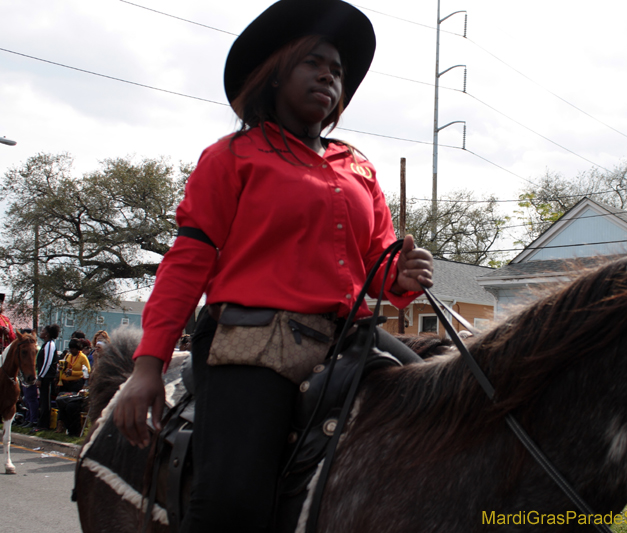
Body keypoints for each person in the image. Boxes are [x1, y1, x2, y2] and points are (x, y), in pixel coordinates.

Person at [113, 1, 434, 531]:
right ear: (275, 72)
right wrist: (148, 367)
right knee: (233, 504)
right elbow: (187, 263)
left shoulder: (358, 167)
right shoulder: (232, 157)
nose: (330, 74)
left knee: (449, 408)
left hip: (349, 340)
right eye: (314, 61)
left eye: (337, 69)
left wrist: (398, 276)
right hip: (256, 346)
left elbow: (377, 265)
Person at [35, 324, 60, 430]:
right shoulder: (45, 344)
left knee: (46, 401)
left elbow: (47, 363)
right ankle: (41, 423)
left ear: (47, 334)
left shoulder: (50, 345)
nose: (41, 332)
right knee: (43, 400)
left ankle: (44, 425)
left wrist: (40, 377)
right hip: (43, 376)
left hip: (47, 377)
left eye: (43, 330)